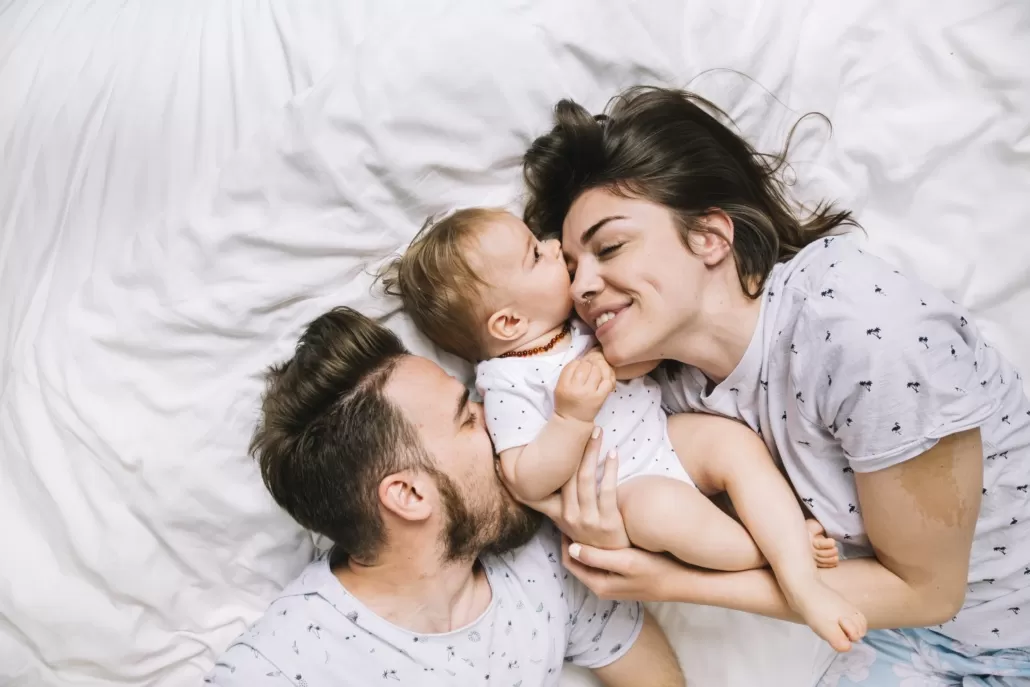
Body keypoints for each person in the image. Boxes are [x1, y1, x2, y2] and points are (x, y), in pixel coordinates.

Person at [520, 85, 1030, 684]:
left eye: (609, 247)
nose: (582, 287)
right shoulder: (671, 388)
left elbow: (928, 592)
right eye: (571, 268)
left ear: (710, 237)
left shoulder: (861, 329)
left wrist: (672, 582)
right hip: (899, 638)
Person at [380, 207, 864, 651]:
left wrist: (619, 355)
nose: (553, 245)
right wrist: (570, 418)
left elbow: (644, 356)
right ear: (509, 322)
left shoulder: (578, 326)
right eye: (535, 255)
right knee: (662, 511)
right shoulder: (506, 382)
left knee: (731, 442)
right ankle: (772, 556)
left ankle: (790, 552)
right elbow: (524, 477)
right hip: (627, 489)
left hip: (666, 436)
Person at [204, 306, 684, 687]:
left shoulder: (545, 561)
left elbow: (639, 659)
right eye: (467, 417)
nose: (494, 416)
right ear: (409, 494)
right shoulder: (281, 666)